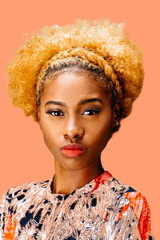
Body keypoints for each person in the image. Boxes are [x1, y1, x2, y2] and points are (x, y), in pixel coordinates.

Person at [0, 19, 154, 239]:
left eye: (90, 112)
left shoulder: (126, 206)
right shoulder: (14, 203)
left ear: (114, 115)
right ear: (38, 115)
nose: (72, 130)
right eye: (56, 113)